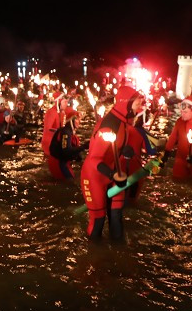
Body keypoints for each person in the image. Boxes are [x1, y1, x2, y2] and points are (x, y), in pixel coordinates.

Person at [80, 86, 147, 239]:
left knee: (116, 216)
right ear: (127, 103)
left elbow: (114, 149)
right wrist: (112, 175)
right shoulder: (109, 126)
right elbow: (95, 159)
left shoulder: (123, 122)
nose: (140, 105)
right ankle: (93, 258)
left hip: (113, 173)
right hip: (95, 177)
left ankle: (118, 255)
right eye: (137, 102)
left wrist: (125, 151)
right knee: (98, 220)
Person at [48, 107, 84, 180]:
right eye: (77, 119)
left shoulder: (69, 132)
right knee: (70, 182)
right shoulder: (66, 132)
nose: (79, 121)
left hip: (63, 161)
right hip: (58, 163)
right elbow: (67, 150)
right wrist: (84, 146)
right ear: (71, 120)